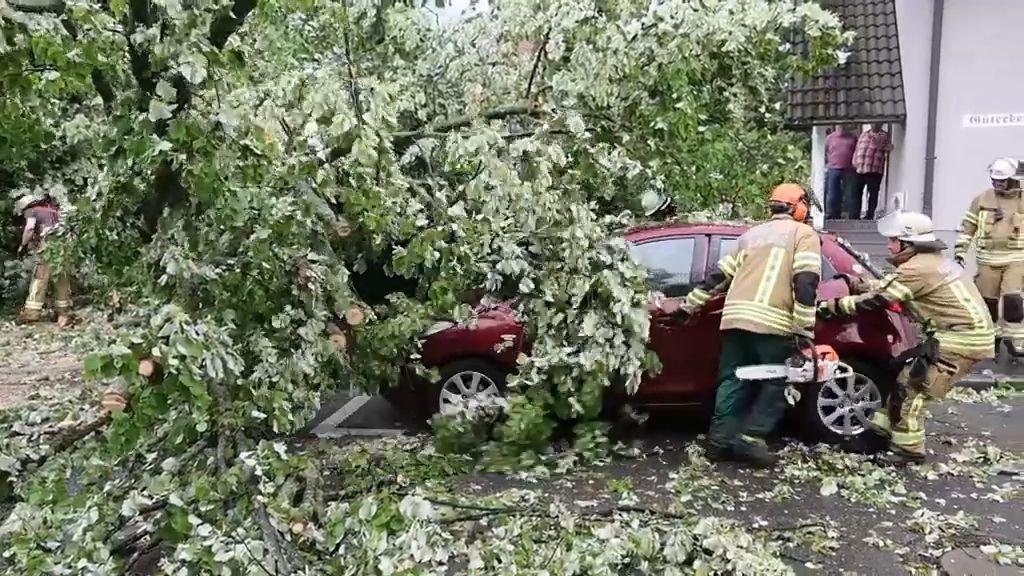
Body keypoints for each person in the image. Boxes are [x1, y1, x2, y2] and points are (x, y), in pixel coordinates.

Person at [819, 211, 994, 464]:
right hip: (960, 336)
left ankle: (908, 450)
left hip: (961, 340)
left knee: (913, 389)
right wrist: (856, 283)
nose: (889, 245)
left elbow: (880, 298)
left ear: (908, 244)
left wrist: (832, 306)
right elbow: (888, 286)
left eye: (894, 241)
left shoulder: (916, 269)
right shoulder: (928, 263)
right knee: (902, 380)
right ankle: (879, 433)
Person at [673, 183, 821, 467]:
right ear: (799, 207)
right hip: (772, 324)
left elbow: (718, 277)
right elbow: (806, 283)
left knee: (732, 381)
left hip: (734, 320)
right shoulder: (803, 235)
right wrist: (803, 332)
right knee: (779, 381)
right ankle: (751, 438)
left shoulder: (750, 235)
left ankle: (717, 444)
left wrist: (688, 305)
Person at [953, 157, 1024, 357]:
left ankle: (1016, 342)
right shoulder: (982, 199)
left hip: (1016, 257)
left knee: (1013, 300)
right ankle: (992, 339)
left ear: (1012, 179)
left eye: (1002, 180)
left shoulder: (1022, 198)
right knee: (987, 302)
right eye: (994, 180)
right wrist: (960, 252)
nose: (997, 184)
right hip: (987, 259)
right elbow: (968, 227)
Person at [14, 194, 72, 326]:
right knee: (60, 277)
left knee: (40, 277)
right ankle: (62, 312)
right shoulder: (54, 210)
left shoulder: (32, 211)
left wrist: (22, 245)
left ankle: (31, 313)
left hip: (48, 245)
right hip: (64, 245)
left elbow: (29, 229)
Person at [850, 123, 891, 220]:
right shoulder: (864, 134)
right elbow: (857, 148)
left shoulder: (883, 135)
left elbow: (879, 145)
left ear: (881, 125)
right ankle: (854, 215)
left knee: (872, 194)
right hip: (860, 169)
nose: (874, 125)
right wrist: (854, 161)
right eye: (872, 123)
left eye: (877, 124)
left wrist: (873, 136)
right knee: (856, 193)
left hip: (874, 170)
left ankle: (869, 215)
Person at [824, 124, 858, 219]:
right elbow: (825, 151)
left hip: (849, 168)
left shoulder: (852, 138)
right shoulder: (830, 138)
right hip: (833, 168)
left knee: (849, 193)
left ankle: (850, 215)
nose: (842, 127)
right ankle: (832, 214)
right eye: (840, 125)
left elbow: (857, 151)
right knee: (832, 193)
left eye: (844, 125)